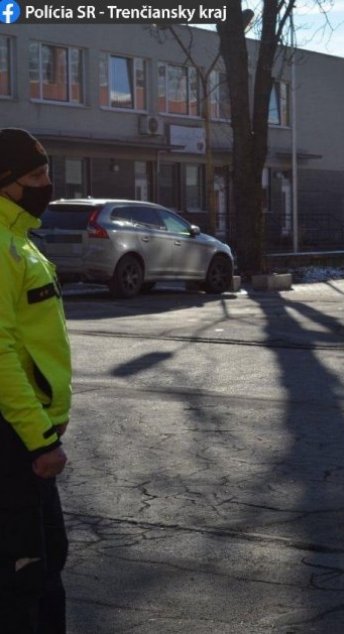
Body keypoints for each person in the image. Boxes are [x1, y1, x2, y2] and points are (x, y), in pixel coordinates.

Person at [0, 128, 72, 633]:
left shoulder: (20, 241)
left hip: (32, 440)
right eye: (36, 176)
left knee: (49, 564)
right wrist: (39, 439)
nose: (48, 184)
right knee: (25, 582)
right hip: (16, 443)